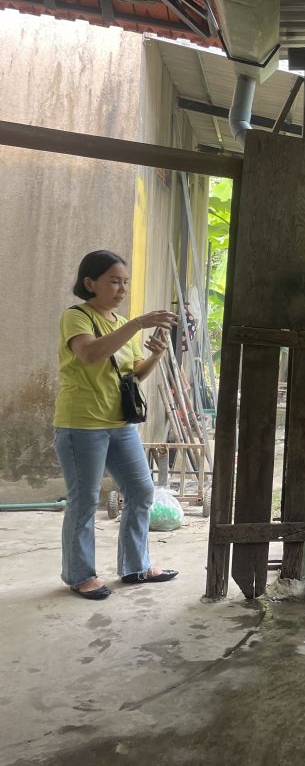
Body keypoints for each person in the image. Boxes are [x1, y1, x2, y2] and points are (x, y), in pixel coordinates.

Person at [54, 250, 179, 600]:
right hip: (81, 425)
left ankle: (135, 566)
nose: (122, 289)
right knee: (84, 501)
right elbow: (90, 354)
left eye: (125, 282)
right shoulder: (76, 317)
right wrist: (137, 324)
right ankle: (80, 575)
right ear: (90, 283)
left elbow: (133, 375)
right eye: (114, 281)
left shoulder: (119, 323)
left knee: (141, 491)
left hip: (119, 424)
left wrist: (155, 355)